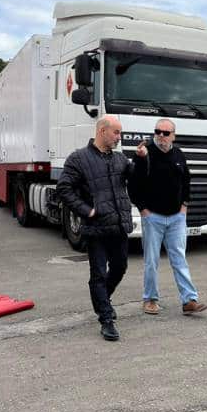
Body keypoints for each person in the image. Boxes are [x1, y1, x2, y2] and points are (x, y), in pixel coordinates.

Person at [56, 115, 134, 341]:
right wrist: (86, 211)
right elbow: (64, 188)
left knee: (120, 267)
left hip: (118, 225)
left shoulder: (120, 159)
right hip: (95, 228)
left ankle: (102, 301)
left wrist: (142, 161)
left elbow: (137, 178)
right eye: (116, 133)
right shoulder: (78, 159)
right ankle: (106, 319)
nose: (119, 137)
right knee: (98, 273)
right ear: (102, 131)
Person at [130, 118, 207, 316]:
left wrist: (184, 206)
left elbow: (187, 181)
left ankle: (189, 300)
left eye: (166, 133)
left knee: (179, 258)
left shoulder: (178, 155)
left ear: (173, 135)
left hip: (176, 217)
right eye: (158, 132)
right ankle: (150, 299)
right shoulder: (145, 153)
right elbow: (134, 185)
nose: (161, 136)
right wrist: (143, 210)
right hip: (153, 217)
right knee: (151, 260)